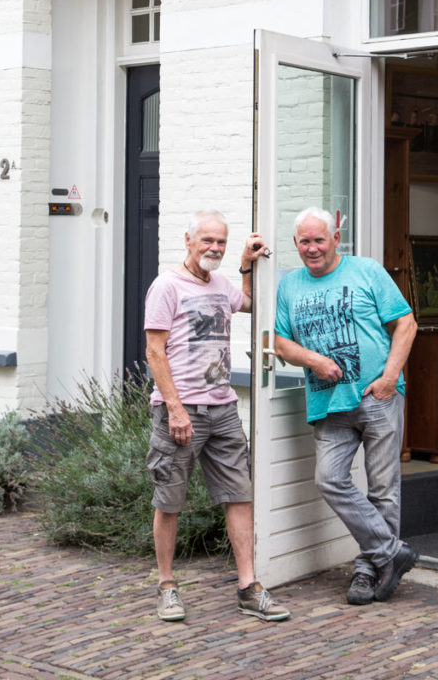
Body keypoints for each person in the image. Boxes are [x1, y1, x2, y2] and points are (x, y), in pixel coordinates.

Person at [144, 209, 290, 624]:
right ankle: (167, 586)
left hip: (223, 408)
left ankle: (248, 587)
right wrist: (174, 408)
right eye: (207, 240)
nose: (214, 248)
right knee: (169, 500)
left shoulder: (221, 283)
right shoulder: (167, 286)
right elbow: (155, 352)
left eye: (221, 242)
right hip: (180, 410)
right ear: (187, 239)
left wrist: (246, 264)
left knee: (238, 495)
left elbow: (246, 303)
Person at [273, 207, 418, 606]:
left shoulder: (367, 271)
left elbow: (406, 323)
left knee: (383, 488)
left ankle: (369, 570)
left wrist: (389, 379)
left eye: (320, 239)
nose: (312, 248)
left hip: (377, 396)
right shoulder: (290, 286)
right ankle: (390, 552)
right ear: (295, 244)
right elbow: (280, 342)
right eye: (304, 241)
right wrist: (315, 360)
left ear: (336, 238)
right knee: (329, 479)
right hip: (328, 402)